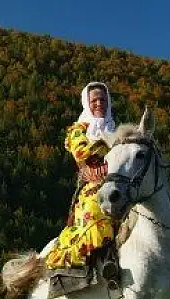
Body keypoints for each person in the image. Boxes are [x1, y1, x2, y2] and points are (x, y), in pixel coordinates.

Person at [45, 82, 118, 280]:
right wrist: (106, 146)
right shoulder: (78, 130)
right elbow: (81, 153)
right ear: (87, 103)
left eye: (103, 99)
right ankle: (101, 263)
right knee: (97, 210)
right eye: (94, 100)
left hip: (119, 182)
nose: (99, 103)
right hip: (93, 186)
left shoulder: (115, 129)